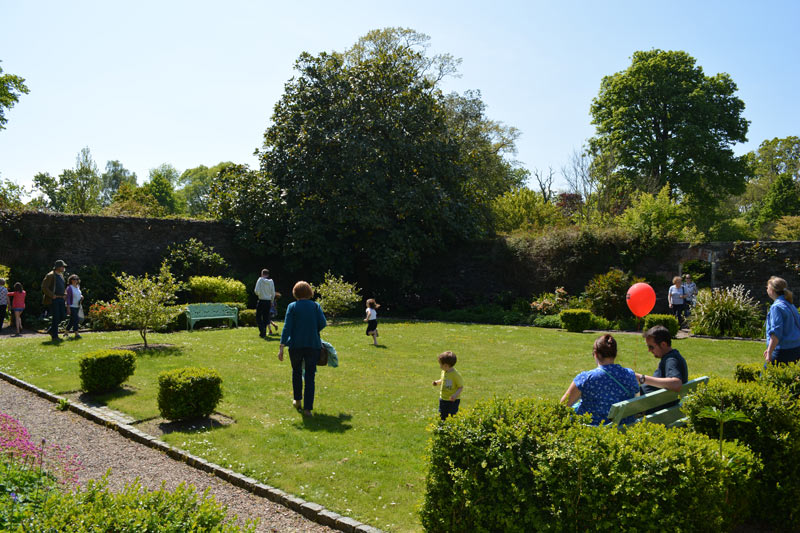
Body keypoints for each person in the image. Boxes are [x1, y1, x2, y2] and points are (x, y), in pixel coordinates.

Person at [560, 334, 638, 425]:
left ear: (595, 354)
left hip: (593, 430)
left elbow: (563, 406)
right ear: (615, 354)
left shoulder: (585, 378)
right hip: (623, 428)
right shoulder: (630, 375)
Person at [278, 281, 327, 416]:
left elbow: (287, 327)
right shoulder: (316, 306)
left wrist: (281, 346)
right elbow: (323, 323)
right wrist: (313, 330)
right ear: (309, 292)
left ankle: (297, 400)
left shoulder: (292, 306)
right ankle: (308, 409)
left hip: (295, 345)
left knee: (296, 372)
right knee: (310, 376)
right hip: (313, 344)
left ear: (295, 292)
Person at [635, 325, 688, 410]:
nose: (649, 350)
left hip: (652, 412)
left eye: (651, 347)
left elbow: (676, 384)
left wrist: (641, 378)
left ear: (663, 344)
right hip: (660, 407)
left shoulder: (671, 360)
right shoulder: (671, 357)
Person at [763, 276, 800, 365]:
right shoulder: (789, 304)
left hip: (783, 350)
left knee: (766, 377)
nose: (766, 289)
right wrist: (769, 349)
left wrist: (770, 352)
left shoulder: (776, 307)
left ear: (771, 290)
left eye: (767, 287)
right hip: (796, 348)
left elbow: (776, 332)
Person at [432, 351, 464, 421]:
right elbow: (443, 380)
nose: (440, 366)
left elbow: (460, 387)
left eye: (441, 364)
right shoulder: (444, 372)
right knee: (442, 414)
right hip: (443, 398)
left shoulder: (455, 375)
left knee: (451, 416)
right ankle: (442, 428)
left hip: (452, 401)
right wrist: (437, 382)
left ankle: (451, 429)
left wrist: (455, 395)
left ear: (446, 365)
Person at [42, 259, 68, 342]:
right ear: (58, 267)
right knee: (56, 317)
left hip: (61, 299)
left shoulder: (61, 275)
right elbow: (44, 287)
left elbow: (62, 287)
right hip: (54, 299)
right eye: (62, 266)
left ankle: (51, 330)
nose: (64, 268)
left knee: (63, 316)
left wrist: (64, 295)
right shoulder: (50, 275)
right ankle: (55, 336)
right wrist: (52, 295)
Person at [254, 269, 276, 338]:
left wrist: (260, 294)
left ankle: (262, 330)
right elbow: (273, 293)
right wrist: (272, 301)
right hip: (268, 301)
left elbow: (256, 291)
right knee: (266, 317)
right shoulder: (271, 282)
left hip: (261, 300)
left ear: (262, 274)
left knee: (258, 316)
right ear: (268, 275)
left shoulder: (260, 280)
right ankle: (263, 332)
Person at [65, 274, 84, 339]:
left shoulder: (78, 286)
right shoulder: (69, 288)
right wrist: (68, 308)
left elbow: (79, 294)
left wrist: (81, 296)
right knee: (76, 319)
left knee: (72, 320)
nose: (75, 280)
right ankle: (76, 334)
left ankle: (66, 333)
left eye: (77, 279)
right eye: (74, 279)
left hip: (77, 306)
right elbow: (68, 298)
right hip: (71, 306)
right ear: (71, 280)